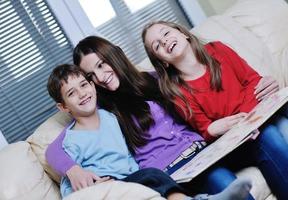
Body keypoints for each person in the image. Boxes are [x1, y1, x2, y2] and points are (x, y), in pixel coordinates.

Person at [142, 20, 288, 199]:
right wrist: (233, 123)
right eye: (157, 46)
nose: (164, 41)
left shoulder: (218, 50)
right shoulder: (176, 92)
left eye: (166, 33)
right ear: (163, 62)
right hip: (236, 143)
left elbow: (253, 81)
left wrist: (244, 117)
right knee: (271, 133)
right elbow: (207, 130)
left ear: (183, 33)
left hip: (258, 115)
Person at [46, 63, 251, 200]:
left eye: (84, 85)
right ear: (63, 107)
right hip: (105, 191)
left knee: (152, 179)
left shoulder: (110, 115)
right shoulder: (70, 140)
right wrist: (86, 183)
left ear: (92, 85)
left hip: (134, 185)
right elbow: (67, 183)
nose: (82, 94)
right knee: (152, 175)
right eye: (72, 93)